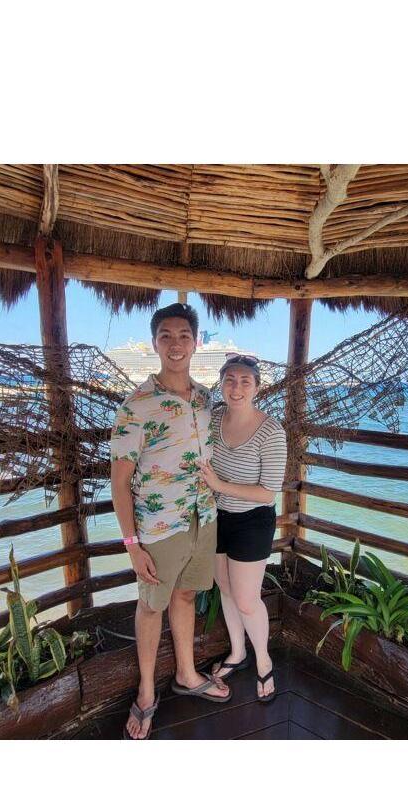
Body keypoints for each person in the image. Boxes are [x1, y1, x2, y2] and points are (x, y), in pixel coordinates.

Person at [111, 302, 230, 740]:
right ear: (155, 343)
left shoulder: (204, 399)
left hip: (204, 515)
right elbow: (119, 482)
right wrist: (131, 543)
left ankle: (185, 673)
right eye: (166, 335)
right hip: (158, 527)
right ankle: (145, 694)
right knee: (150, 606)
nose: (176, 343)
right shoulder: (136, 406)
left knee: (184, 597)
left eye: (184, 335)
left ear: (196, 343)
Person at [198, 354, 287, 703]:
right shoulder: (214, 418)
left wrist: (220, 485)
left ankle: (264, 660)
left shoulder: (271, 430)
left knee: (248, 599)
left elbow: (268, 491)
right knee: (225, 588)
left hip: (253, 520)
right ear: (221, 384)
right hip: (217, 517)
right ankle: (238, 652)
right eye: (230, 380)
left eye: (244, 381)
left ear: (257, 387)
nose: (236, 388)